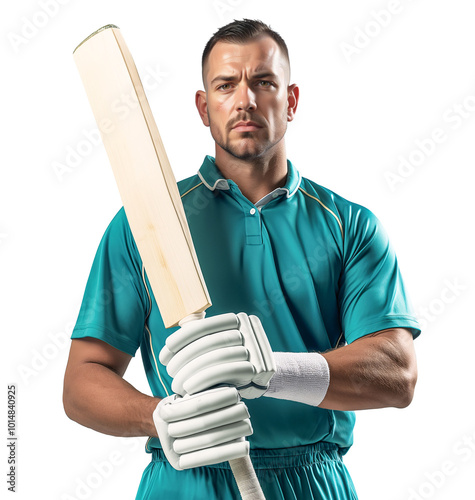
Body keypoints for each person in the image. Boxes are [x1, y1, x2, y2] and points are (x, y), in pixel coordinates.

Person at [63, 19, 421, 500]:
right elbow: (82, 378)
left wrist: (272, 371)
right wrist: (158, 417)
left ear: (291, 101)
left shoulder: (349, 225)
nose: (245, 100)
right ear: (203, 106)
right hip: (185, 477)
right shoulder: (143, 224)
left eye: (264, 82)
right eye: (226, 85)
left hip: (312, 478)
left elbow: (397, 373)